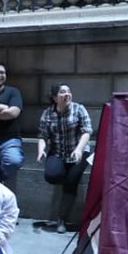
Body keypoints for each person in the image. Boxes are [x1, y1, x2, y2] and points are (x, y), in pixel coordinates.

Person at [36, 84, 93, 234]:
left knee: (71, 182)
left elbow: (87, 131)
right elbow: (42, 135)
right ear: (55, 98)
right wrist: (41, 150)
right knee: (51, 175)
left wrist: (79, 149)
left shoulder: (79, 109)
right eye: (62, 92)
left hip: (79, 151)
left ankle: (62, 219)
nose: (67, 94)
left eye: (69, 92)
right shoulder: (47, 114)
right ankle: (66, 176)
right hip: (58, 152)